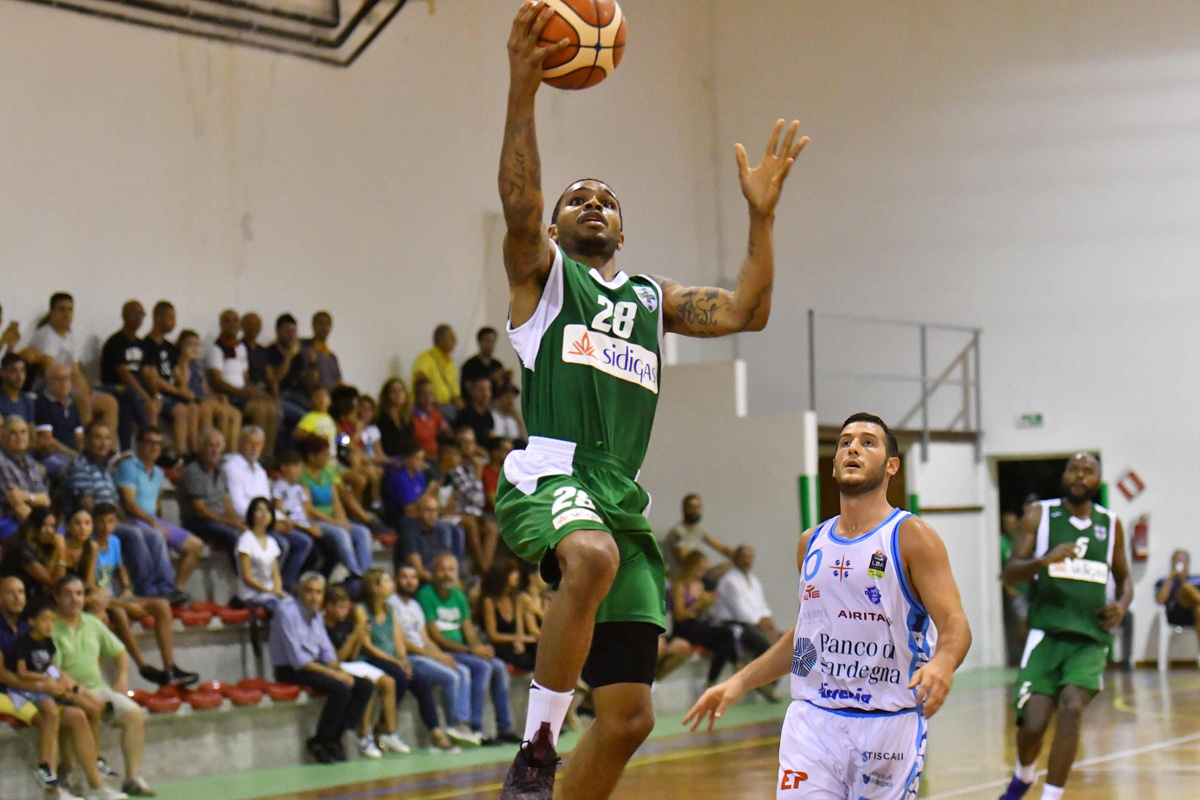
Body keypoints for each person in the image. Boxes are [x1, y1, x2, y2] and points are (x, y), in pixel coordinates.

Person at [495, 6, 806, 796]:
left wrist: (761, 216)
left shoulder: (647, 297)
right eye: (577, 200)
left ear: (623, 232)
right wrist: (522, 90)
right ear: (558, 229)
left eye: (606, 200)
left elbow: (746, 311)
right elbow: (519, 208)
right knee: (590, 558)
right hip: (553, 471)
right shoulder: (542, 277)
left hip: (620, 495)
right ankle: (535, 749)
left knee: (631, 717)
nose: (592, 204)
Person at [685, 413, 972, 800]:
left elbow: (955, 623)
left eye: (868, 442)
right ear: (835, 463)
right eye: (844, 442)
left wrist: (943, 661)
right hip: (813, 722)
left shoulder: (911, 536)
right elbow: (807, 635)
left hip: (888, 724)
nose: (853, 447)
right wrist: (739, 680)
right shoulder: (811, 542)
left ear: (891, 466)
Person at [999, 453, 1132, 800]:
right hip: (1046, 635)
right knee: (1033, 725)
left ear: (1097, 482)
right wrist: (1044, 560)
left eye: (1088, 471)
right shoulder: (1040, 516)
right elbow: (1010, 573)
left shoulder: (1110, 523)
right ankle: (1024, 775)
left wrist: (1121, 604)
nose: (1080, 475)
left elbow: (1124, 579)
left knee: (1072, 706)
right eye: (1074, 469)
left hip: (1089, 638)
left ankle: (1051, 796)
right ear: (1064, 476)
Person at [0, 576, 123, 800]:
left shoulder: (31, 624)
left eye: (21, 592)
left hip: (34, 688)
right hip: (7, 692)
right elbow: (4, 675)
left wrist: (64, 682)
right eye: (11, 593)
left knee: (78, 716)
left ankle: (97, 787)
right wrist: (43, 686)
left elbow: (48, 664)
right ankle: (53, 791)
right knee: (47, 713)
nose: (18, 598)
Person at [70, 504, 197, 688]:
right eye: (100, 522)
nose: (105, 527)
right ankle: (142, 666)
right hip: (100, 601)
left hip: (115, 597)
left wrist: (128, 588)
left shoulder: (114, 541)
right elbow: (90, 588)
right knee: (120, 613)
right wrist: (126, 605)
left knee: (162, 605)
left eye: (110, 522)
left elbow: (121, 568)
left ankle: (171, 667)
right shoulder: (91, 547)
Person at [52, 574, 157, 796]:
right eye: (68, 594)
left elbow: (119, 652)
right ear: (57, 598)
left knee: (134, 714)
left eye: (79, 594)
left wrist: (122, 678)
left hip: (99, 688)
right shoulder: (51, 627)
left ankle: (132, 777)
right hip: (68, 692)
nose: (75, 599)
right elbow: (54, 670)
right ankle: (78, 776)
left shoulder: (92, 623)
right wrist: (81, 691)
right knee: (85, 712)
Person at [63, 421, 187, 605]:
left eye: (107, 438)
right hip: (92, 522)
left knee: (153, 534)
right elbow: (87, 505)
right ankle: (147, 590)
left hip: (111, 519)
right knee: (134, 533)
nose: (103, 443)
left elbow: (115, 503)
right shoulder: (80, 467)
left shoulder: (103, 467)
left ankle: (166, 588)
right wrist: (112, 522)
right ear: (86, 440)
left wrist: (123, 520)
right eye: (98, 438)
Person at [269, 572, 374, 764]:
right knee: (340, 688)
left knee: (364, 686)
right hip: (291, 670)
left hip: (317, 665)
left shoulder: (316, 614)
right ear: (300, 591)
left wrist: (340, 670)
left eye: (318, 592)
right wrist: (334, 674)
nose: (313, 597)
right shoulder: (287, 612)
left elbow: (327, 652)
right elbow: (298, 660)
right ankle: (320, 740)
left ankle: (335, 738)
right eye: (309, 591)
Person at [322, 583, 434, 758]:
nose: (345, 612)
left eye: (346, 607)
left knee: (389, 682)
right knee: (370, 681)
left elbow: (353, 654)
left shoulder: (344, 623)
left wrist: (357, 638)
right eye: (341, 608)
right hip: (337, 666)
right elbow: (337, 659)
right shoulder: (323, 626)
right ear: (328, 607)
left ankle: (390, 731)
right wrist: (356, 636)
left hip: (351, 663)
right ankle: (364, 735)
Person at [418, 553, 520, 744]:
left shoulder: (458, 595)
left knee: (498, 665)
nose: (446, 574)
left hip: (463, 650)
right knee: (483, 667)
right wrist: (472, 652)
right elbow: (436, 637)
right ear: (433, 572)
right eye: (441, 570)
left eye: (450, 570)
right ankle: (476, 727)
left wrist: (479, 647)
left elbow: (468, 629)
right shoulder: (426, 594)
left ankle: (505, 727)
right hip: (443, 651)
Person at [358, 568, 454, 752]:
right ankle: (387, 730)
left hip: (392, 659)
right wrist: (396, 662)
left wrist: (402, 660)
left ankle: (434, 731)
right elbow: (367, 645)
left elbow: (398, 641)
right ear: (375, 587)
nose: (391, 585)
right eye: (387, 581)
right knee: (399, 678)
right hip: (372, 657)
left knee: (420, 681)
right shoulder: (361, 609)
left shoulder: (391, 610)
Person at [112, 427, 205, 592]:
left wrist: (157, 521)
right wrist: (153, 523)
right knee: (157, 534)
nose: (155, 447)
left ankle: (177, 589)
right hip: (131, 519)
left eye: (158, 443)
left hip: (151, 518)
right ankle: (164, 587)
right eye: (150, 442)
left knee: (195, 545)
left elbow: (155, 503)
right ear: (139, 444)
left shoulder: (159, 472)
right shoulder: (128, 466)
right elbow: (129, 503)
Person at [224, 426, 312, 591]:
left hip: (264, 519)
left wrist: (281, 519)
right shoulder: (232, 467)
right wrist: (269, 522)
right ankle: (264, 586)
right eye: (251, 444)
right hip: (247, 522)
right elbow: (239, 506)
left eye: (259, 445)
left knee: (303, 542)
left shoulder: (260, 471)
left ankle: (285, 585)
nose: (255, 448)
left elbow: (268, 504)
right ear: (241, 443)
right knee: (281, 545)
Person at [28, 292, 118, 430]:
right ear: (52, 312)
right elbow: (51, 371)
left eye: (70, 309)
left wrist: (86, 389)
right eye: (62, 309)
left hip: (70, 385)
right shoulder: (46, 335)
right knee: (82, 401)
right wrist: (81, 392)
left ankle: (107, 448)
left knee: (109, 402)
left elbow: (75, 371)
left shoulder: (70, 336)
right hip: (49, 387)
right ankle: (86, 446)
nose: (67, 313)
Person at [299, 436, 372, 586]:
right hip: (317, 520)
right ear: (311, 456)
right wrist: (334, 522)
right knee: (341, 534)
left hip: (333, 519)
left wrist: (342, 519)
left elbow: (336, 500)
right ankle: (354, 572)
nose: (326, 459)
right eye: (323, 455)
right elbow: (309, 509)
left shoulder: (327, 473)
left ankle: (366, 574)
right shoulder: (303, 477)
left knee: (362, 532)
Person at [206, 309, 279, 459]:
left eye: (235, 320)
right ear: (221, 324)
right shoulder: (216, 348)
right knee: (259, 411)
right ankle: (253, 456)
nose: (232, 324)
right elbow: (216, 381)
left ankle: (267, 455)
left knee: (271, 408)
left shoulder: (241, 348)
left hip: (242, 393)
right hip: (228, 395)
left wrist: (257, 393)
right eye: (227, 321)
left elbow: (245, 379)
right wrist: (241, 392)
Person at [670, 551, 739, 687]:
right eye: (699, 568)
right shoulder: (680, 586)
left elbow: (698, 614)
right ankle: (738, 665)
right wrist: (698, 603)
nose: (702, 572)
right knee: (727, 633)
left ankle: (709, 683)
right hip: (683, 628)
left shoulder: (699, 585)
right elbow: (679, 616)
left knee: (723, 646)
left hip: (695, 624)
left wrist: (706, 604)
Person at [138, 301, 197, 460]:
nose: (174, 322)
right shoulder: (146, 345)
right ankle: (173, 455)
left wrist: (184, 361)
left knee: (191, 407)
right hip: (155, 393)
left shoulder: (170, 348)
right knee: (180, 409)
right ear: (158, 317)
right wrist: (178, 391)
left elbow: (181, 380)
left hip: (171, 394)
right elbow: (152, 378)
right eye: (170, 317)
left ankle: (188, 453)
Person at [176, 428, 243, 563]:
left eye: (218, 446)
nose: (214, 450)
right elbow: (199, 510)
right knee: (233, 536)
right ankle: (244, 577)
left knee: (251, 533)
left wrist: (237, 521)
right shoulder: (193, 471)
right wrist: (227, 522)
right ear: (201, 447)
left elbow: (227, 504)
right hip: (198, 523)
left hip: (218, 521)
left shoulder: (221, 473)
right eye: (211, 445)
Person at [98, 300, 159, 449]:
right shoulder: (115, 342)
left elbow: (148, 373)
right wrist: (144, 396)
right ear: (124, 315)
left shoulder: (142, 344)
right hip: (114, 387)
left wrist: (155, 396)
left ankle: (150, 447)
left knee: (128, 406)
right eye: (135, 313)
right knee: (130, 394)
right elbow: (124, 374)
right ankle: (149, 435)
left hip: (132, 395)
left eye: (142, 314)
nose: (139, 317)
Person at [713, 544, 782, 661]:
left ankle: (771, 678)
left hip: (754, 623)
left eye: (750, 558)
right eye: (743, 557)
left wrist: (768, 621)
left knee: (781, 640)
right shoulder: (729, 580)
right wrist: (760, 623)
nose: (747, 561)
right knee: (765, 644)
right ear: (735, 559)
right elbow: (740, 612)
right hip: (735, 624)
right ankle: (760, 677)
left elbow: (762, 605)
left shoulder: (753, 580)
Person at [175, 329, 240, 452]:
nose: (194, 348)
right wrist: (185, 360)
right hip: (192, 399)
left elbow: (205, 388)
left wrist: (216, 396)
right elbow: (182, 385)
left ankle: (229, 452)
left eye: (196, 344)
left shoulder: (198, 365)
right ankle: (204, 449)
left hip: (203, 398)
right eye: (190, 344)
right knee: (207, 409)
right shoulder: (180, 363)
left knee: (233, 412)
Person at [479, 562, 538, 673]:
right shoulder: (489, 601)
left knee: (535, 647)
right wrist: (517, 638)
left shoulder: (514, 599)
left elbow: (518, 627)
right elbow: (492, 635)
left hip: (513, 642)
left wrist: (520, 641)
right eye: (513, 573)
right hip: (498, 644)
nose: (517, 576)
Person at [0, 414, 51, 540]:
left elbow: (45, 499)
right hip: (8, 521)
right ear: (2, 437)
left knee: (62, 535)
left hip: (33, 519)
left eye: (23, 432)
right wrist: (38, 528)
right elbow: (15, 502)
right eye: (13, 433)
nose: (20, 437)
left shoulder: (31, 463)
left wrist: (27, 496)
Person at [666, 493, 735, 582]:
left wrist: (737, 557)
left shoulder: (699, 530)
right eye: (691, 507)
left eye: (697, 508)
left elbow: (721, 547)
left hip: (695, 577)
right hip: (679, 580)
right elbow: (684, 559)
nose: (695, 511)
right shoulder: (677, 532)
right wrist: (708, 570)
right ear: (684, 509)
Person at [32, 363, 85, 477]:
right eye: (58, 379)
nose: (64, 383)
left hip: (72, 454)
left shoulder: (72, 405)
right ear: (48, 382)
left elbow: (79, 437)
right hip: (52, 455)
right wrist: (73, 454)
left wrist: (84, 454)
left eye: (66, 379)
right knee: (77, 471)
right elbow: (48, 440)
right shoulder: (42, 404)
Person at [236, 497, 285, 611]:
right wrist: (269, 591)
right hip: (251, 594)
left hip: (270, 592)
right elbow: (247, 577)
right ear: (252, 514)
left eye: (267, 511)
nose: (264, 514)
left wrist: (277, 589)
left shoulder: (272, 542)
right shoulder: (245, 540)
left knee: (294, 605)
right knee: (280, 608)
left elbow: (276, 574)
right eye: (259, 510)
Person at [1155, 549, 1200, 661]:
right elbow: (1160, 600)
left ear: (1188, 563)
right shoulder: (1164, 581)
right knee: (1186, 587)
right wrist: (1171, 578)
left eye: (1182, 560)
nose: (1179, 563)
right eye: (1176, 560)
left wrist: (1184, 579)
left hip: (1194, 615)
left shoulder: (1196, 579)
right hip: (1175, 613)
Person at [1000, 510, 1030, 667]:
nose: (1011, 526)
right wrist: (1007, 587)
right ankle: (1021, 655)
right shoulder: (1001, 543)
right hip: (1016, 590)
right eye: (1008, 523)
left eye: (1013, 523)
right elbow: (1000, 569)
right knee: (1021, 623)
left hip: (1029, 588)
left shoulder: (1022, 541)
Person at [412, 325, 461, 418]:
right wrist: (430, 399)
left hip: (451, 404)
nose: (455, 341)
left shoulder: (450, 361)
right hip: (433, 407)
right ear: (440, 339)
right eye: (451, 337)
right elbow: (420, 378)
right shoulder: (426, 357)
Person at [301, 311, 343, 392]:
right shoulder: (304, 347)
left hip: (333, 397)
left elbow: (339, 381)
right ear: (313, 325)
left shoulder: (332, 356)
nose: (324, 326)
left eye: (327, 323)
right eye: (320, 323)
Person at [374, 378, 415, 458]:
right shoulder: (380, 419)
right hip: (389, 459)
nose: (398, 394)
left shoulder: (407, 418)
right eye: (394, 391)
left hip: (407, 459)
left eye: (401, 390)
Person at [410, 378, 448, 459]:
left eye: (430, 394)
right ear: (416, 395)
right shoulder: (410, 415)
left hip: (435, 456)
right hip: (419, 457)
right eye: (424, 394)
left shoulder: (434, 413)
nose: (428, 398)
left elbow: (446, 431)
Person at [460, 326, 505, 393]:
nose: (490, 345)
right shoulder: (470, 365)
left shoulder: (497, 365)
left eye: (492, 341)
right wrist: (491, 378)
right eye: (487, 341)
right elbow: (467, 389)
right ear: (479, 342)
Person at [0, 351, 36, 422]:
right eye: (14, 371)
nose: (19, 376)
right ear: (2, 373)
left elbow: (31, 429)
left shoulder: (27, 400)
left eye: (22, 370)